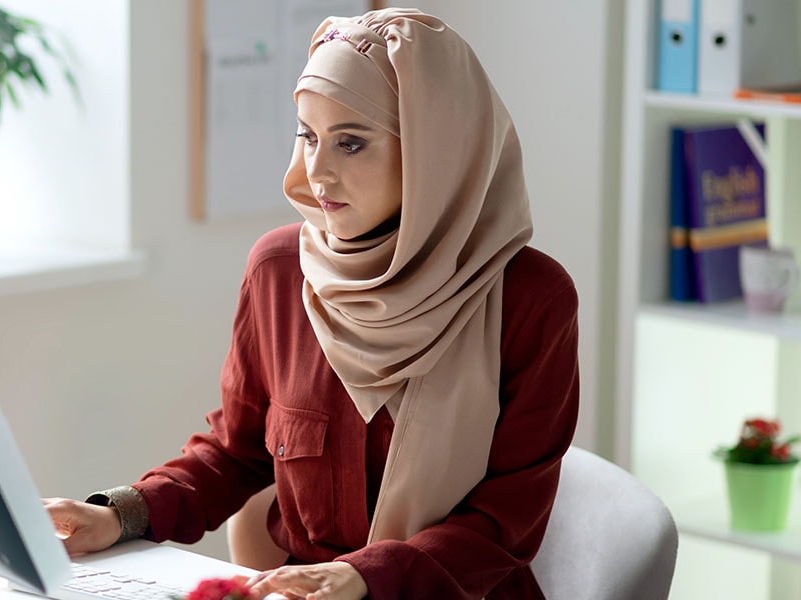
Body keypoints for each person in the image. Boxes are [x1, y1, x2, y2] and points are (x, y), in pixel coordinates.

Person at [44, 8, 579, 600]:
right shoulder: (279, 271)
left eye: (351, 143)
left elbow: (508, 522)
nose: (316, 172)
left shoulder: (531, 299)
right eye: (308, 135)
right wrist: (121, 514)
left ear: (436, 149)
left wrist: (362, 577)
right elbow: (234, 452)